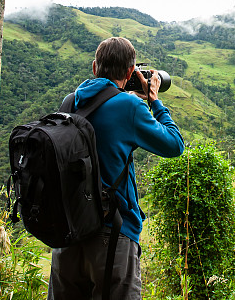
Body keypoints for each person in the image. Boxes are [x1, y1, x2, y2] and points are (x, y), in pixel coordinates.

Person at [47, 37, 185, 300]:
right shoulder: (129, 106)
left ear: (94, 67)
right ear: (130, 72)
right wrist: (154, 101)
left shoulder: (69, 102)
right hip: (112, 234)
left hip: (68, 234)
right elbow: (174, 145)